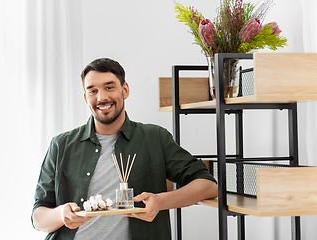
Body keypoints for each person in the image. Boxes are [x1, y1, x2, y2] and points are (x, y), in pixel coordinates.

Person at [32, 58, 218, 240]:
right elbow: (38, 218)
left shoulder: (155, 138)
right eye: (93, 91)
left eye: (109, 87)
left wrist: (160, 202)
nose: (102, 97)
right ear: (85, 98)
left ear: (125, 89)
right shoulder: (61, 145)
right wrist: (60, 214)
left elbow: (208, 186)